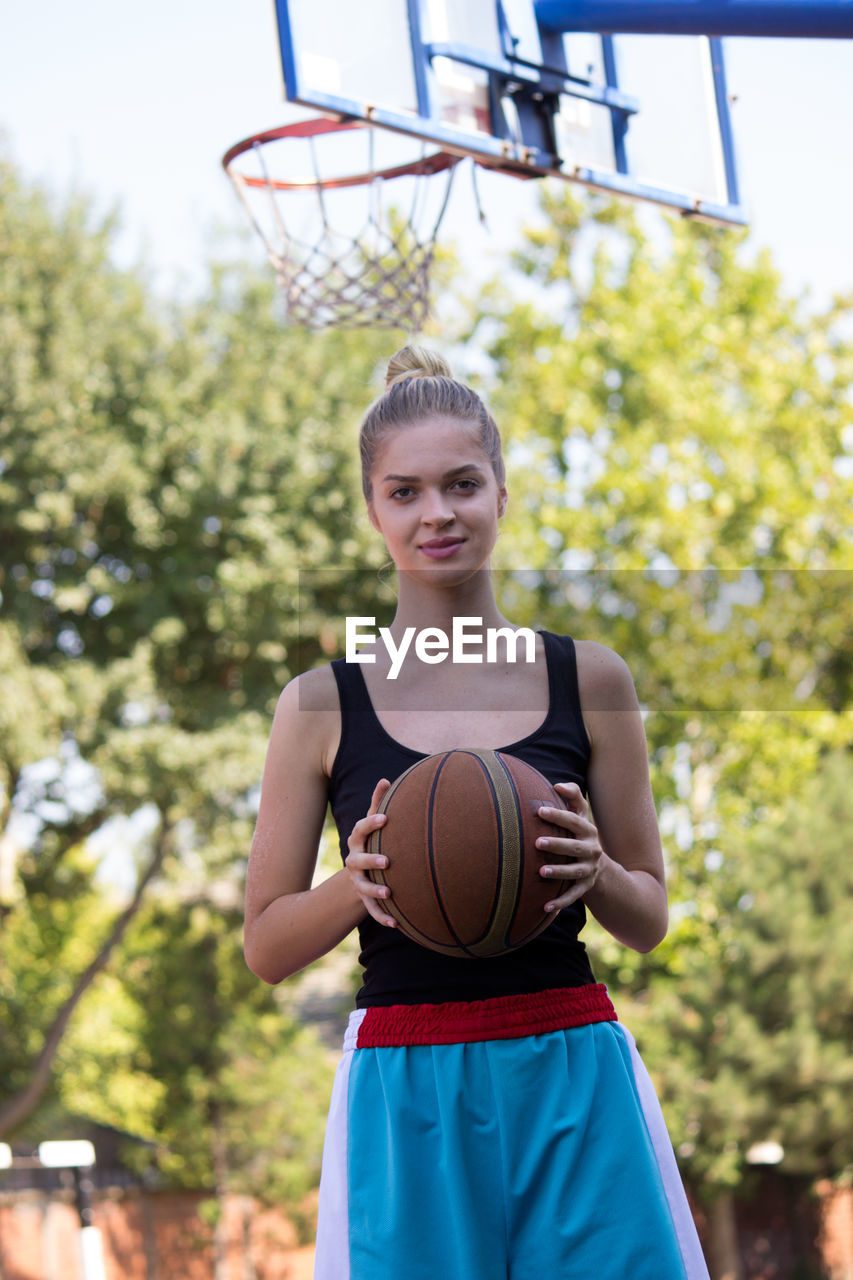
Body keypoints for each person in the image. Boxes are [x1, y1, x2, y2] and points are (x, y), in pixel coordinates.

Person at [244, 346, 710, 1280]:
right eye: (404, 492)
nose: (437, 514)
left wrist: (598, 874)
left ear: (501, 490)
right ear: (372, 511)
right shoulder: (318, 705)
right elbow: (266, 947)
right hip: (406, 1079)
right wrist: (357, 883)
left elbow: (650, 920)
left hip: (570, 1062)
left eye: (461, 483)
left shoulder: (593, 678)